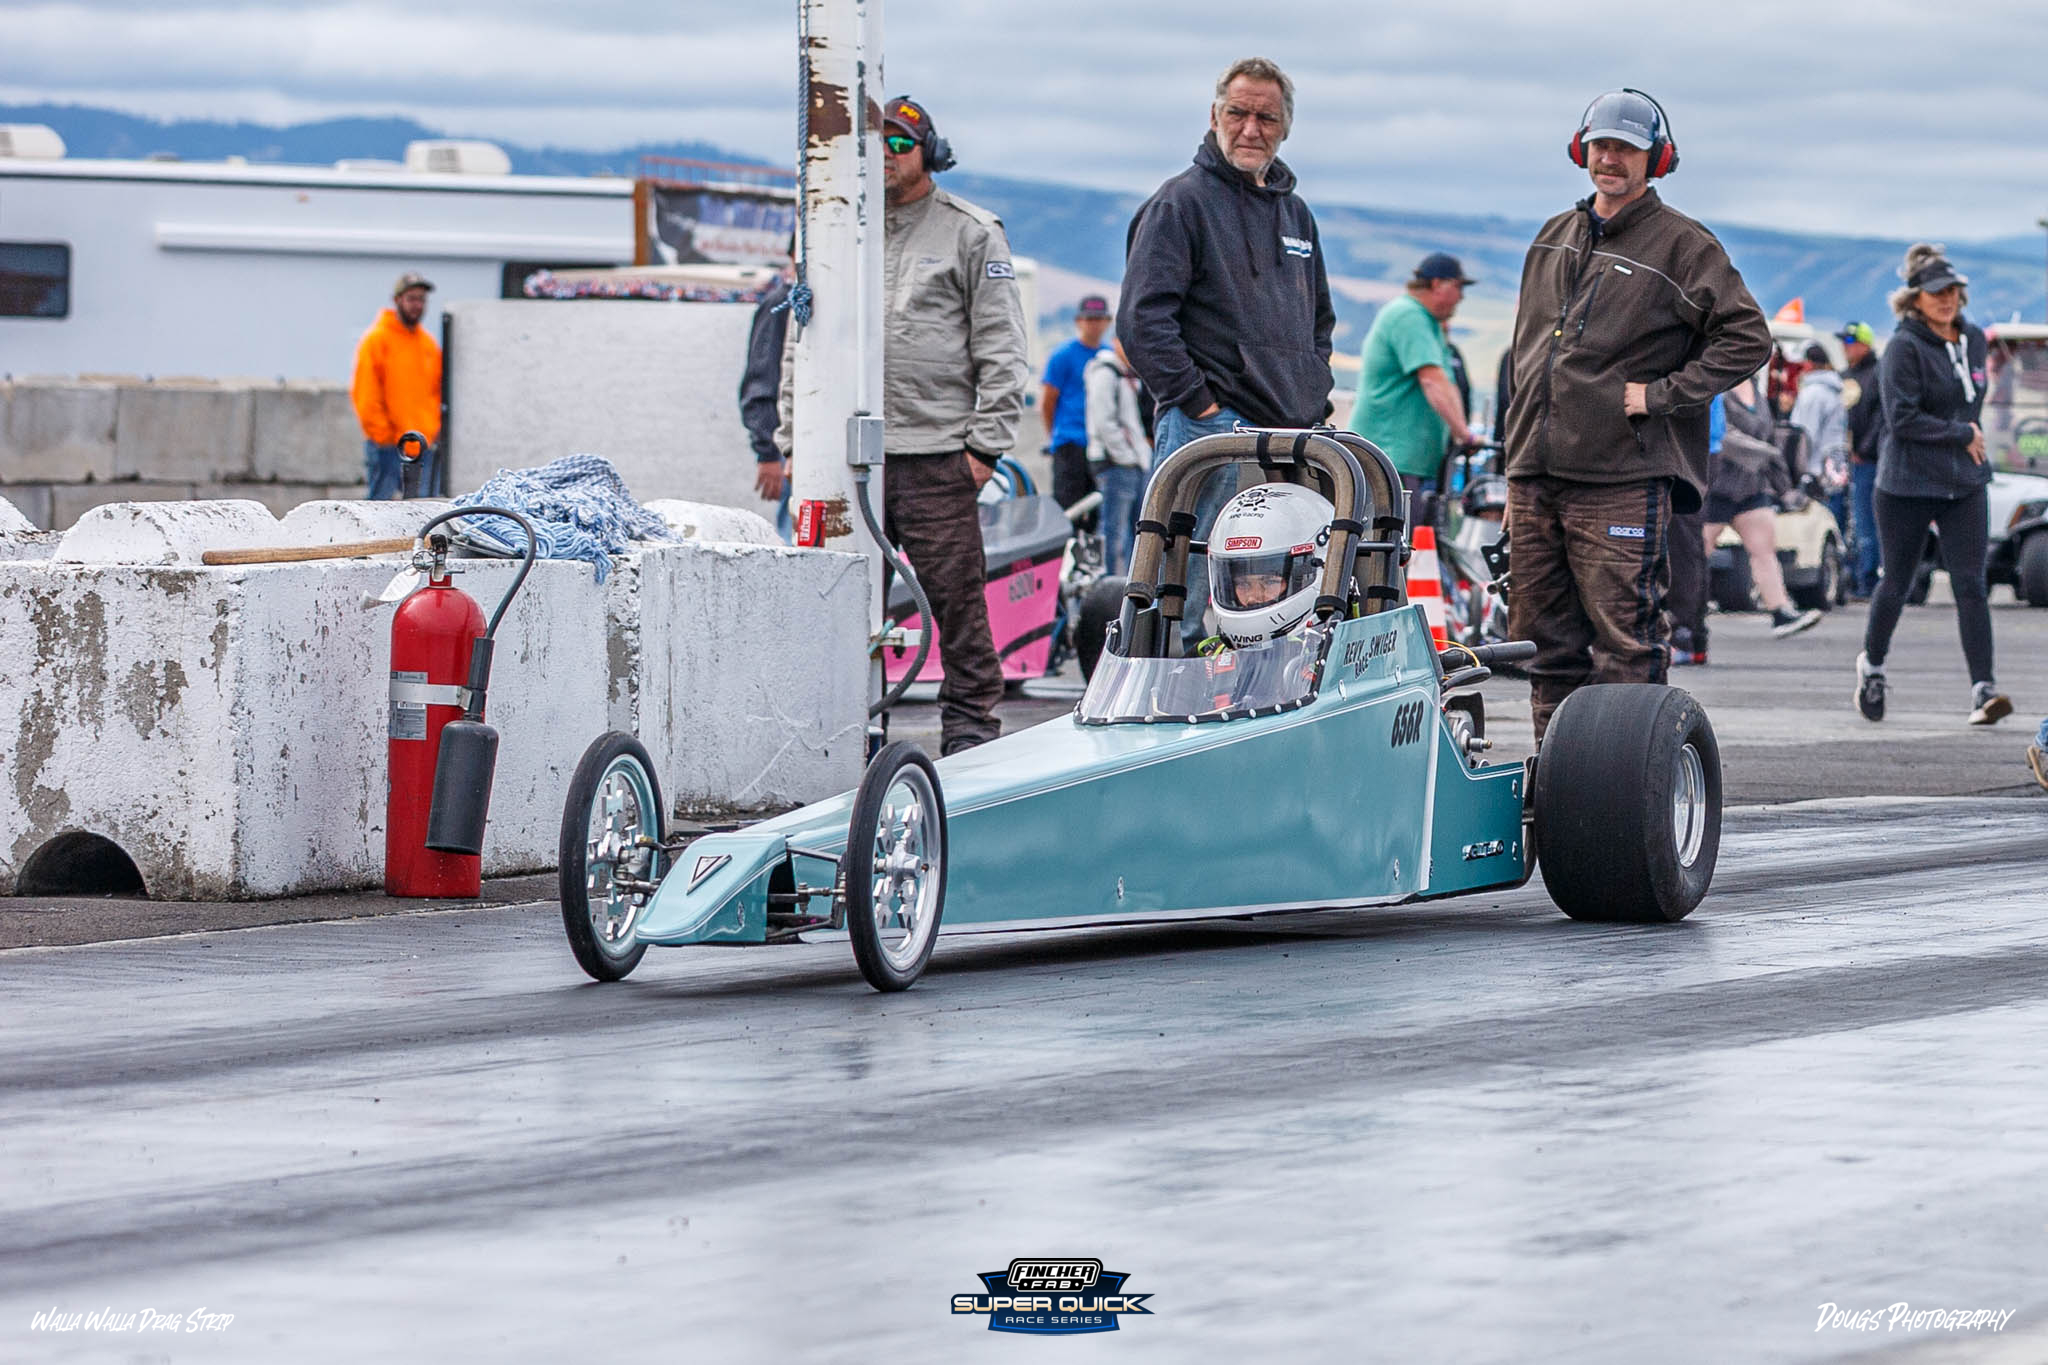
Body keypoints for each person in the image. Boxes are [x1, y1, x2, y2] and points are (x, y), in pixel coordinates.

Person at [1500, 88, 1772, 740]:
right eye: (1601, 146)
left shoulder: (1684, 246)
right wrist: (1514, 461)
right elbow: (1528, 354)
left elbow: (1748, 338)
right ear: (1581, 151)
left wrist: (1660, 395)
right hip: (1536, 477)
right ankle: (1561, 781)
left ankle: (1621, 795)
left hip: (1621, 480)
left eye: (1626, 148)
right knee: (1545, 648)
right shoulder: (1551, 237)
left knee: (1627, 646)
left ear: (1658, 159)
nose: (1611, 159)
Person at [1120, 56, 1334, 651]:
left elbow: (1319, 320)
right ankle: (1170, 710)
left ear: (1285, 127)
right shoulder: (1179, 205)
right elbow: (1142, 319)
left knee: (1285, 592)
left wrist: (1310, 393)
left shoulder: (1296, 214)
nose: (1250, 128)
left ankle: (1264, 709)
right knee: (1186, 592)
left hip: (1290, 436)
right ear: (1214, 115)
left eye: (1265, 117)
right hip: (1209, 432)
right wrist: (1202, 405)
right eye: (1237, 113)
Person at [868, 96, 1030, 754]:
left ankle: (970, 747)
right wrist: (796, 444)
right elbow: (801, 337)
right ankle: (850, 743)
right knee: (835, 618)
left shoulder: (972, 231)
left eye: (900, 143)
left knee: (960, 617)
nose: (886, 153)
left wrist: (983, 449)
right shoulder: (837, 229)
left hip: (937, 460)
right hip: (852, 463)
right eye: (875, 142)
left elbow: (1004, 350)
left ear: (928, 153)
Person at [1854, 244, 2011, 727]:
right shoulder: (1902, 347)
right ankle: (1872, 666)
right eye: (1935, 292)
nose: (1946, 299)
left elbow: (1971, 401)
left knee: (1970, 584)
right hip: (1906, 483)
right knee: (1898, 581)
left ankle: (1983, 690)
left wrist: (1968, 432)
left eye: (1953, 291)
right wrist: (1961, 433)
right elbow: (1900, 420)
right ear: (1915, 299)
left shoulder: (1975, 342)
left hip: (1963, 482)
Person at [1349, 253, 1478, 510]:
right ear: (1437, 284)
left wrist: (1460, 431)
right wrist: (1464, 434)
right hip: (1391, 458)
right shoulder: (1409, 316)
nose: (1461, 297)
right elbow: (1433, 382)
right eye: (1458, 287)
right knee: (1399, 541)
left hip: (1409, 460)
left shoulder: (1429, 322)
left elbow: (1447, 383)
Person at [1702, 380, 1823, 638]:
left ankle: (1781, 611)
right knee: (1698, 552)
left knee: (1764, 551)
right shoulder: (1719, 390)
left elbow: (1769, 437)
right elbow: (1724, 436)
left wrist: (1785, 487)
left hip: (1751, 486)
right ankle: (1683, 614)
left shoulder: (1756, 391)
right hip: (1718, 484)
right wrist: (1767, 453)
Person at [350, 271, 443, 500]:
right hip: (388, 446)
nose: (417, 305)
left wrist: (434, 432)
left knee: (423, 515)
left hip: (423, 447)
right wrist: (383, 436)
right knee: (379, 513)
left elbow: (437, 392)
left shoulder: (428, 344)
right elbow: (366, 394)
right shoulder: (377, 340)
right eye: (411, 298)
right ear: (398, 300)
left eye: (421, 299)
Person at [739, 246, 795, 541]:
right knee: (796, 538)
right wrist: (768, 453)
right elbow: (760, 383)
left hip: (796, 450)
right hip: (787, 453)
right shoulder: (780, 305)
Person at [1041, 296, 1113, 522]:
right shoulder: (1062, 355)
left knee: (1096, 511)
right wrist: (1055, 436)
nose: (1094, 324)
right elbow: (1048, 401)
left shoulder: (1108, 357)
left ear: (1107, 322)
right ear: (1079, 321)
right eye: (1089, 319)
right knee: (1066, 508)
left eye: (1098, 319)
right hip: (1070, 443)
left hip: (1099, 446)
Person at [1083, 335, 1149, 575]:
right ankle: (1107, 589)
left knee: (1134, 532)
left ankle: (1128, 588)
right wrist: (1125, 455)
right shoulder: (1105, 373)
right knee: (1111, 531)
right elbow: (1103, 421)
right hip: (1115, 464)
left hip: (1131, 464)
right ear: (1115, 342)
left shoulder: (1124, 375)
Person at [1838, 321, 1884, 597]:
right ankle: (1851, 576)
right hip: (1844, 462)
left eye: (1851, 343)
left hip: (1868, 461)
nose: (1846, 348)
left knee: (1867, 521)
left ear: (1865, 344)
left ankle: (1869, 579)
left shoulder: (1877, 375)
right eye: (1844, 343)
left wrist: (1863, 452)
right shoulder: (1844, 376)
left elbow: (1882, 419)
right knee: (1846, 519)